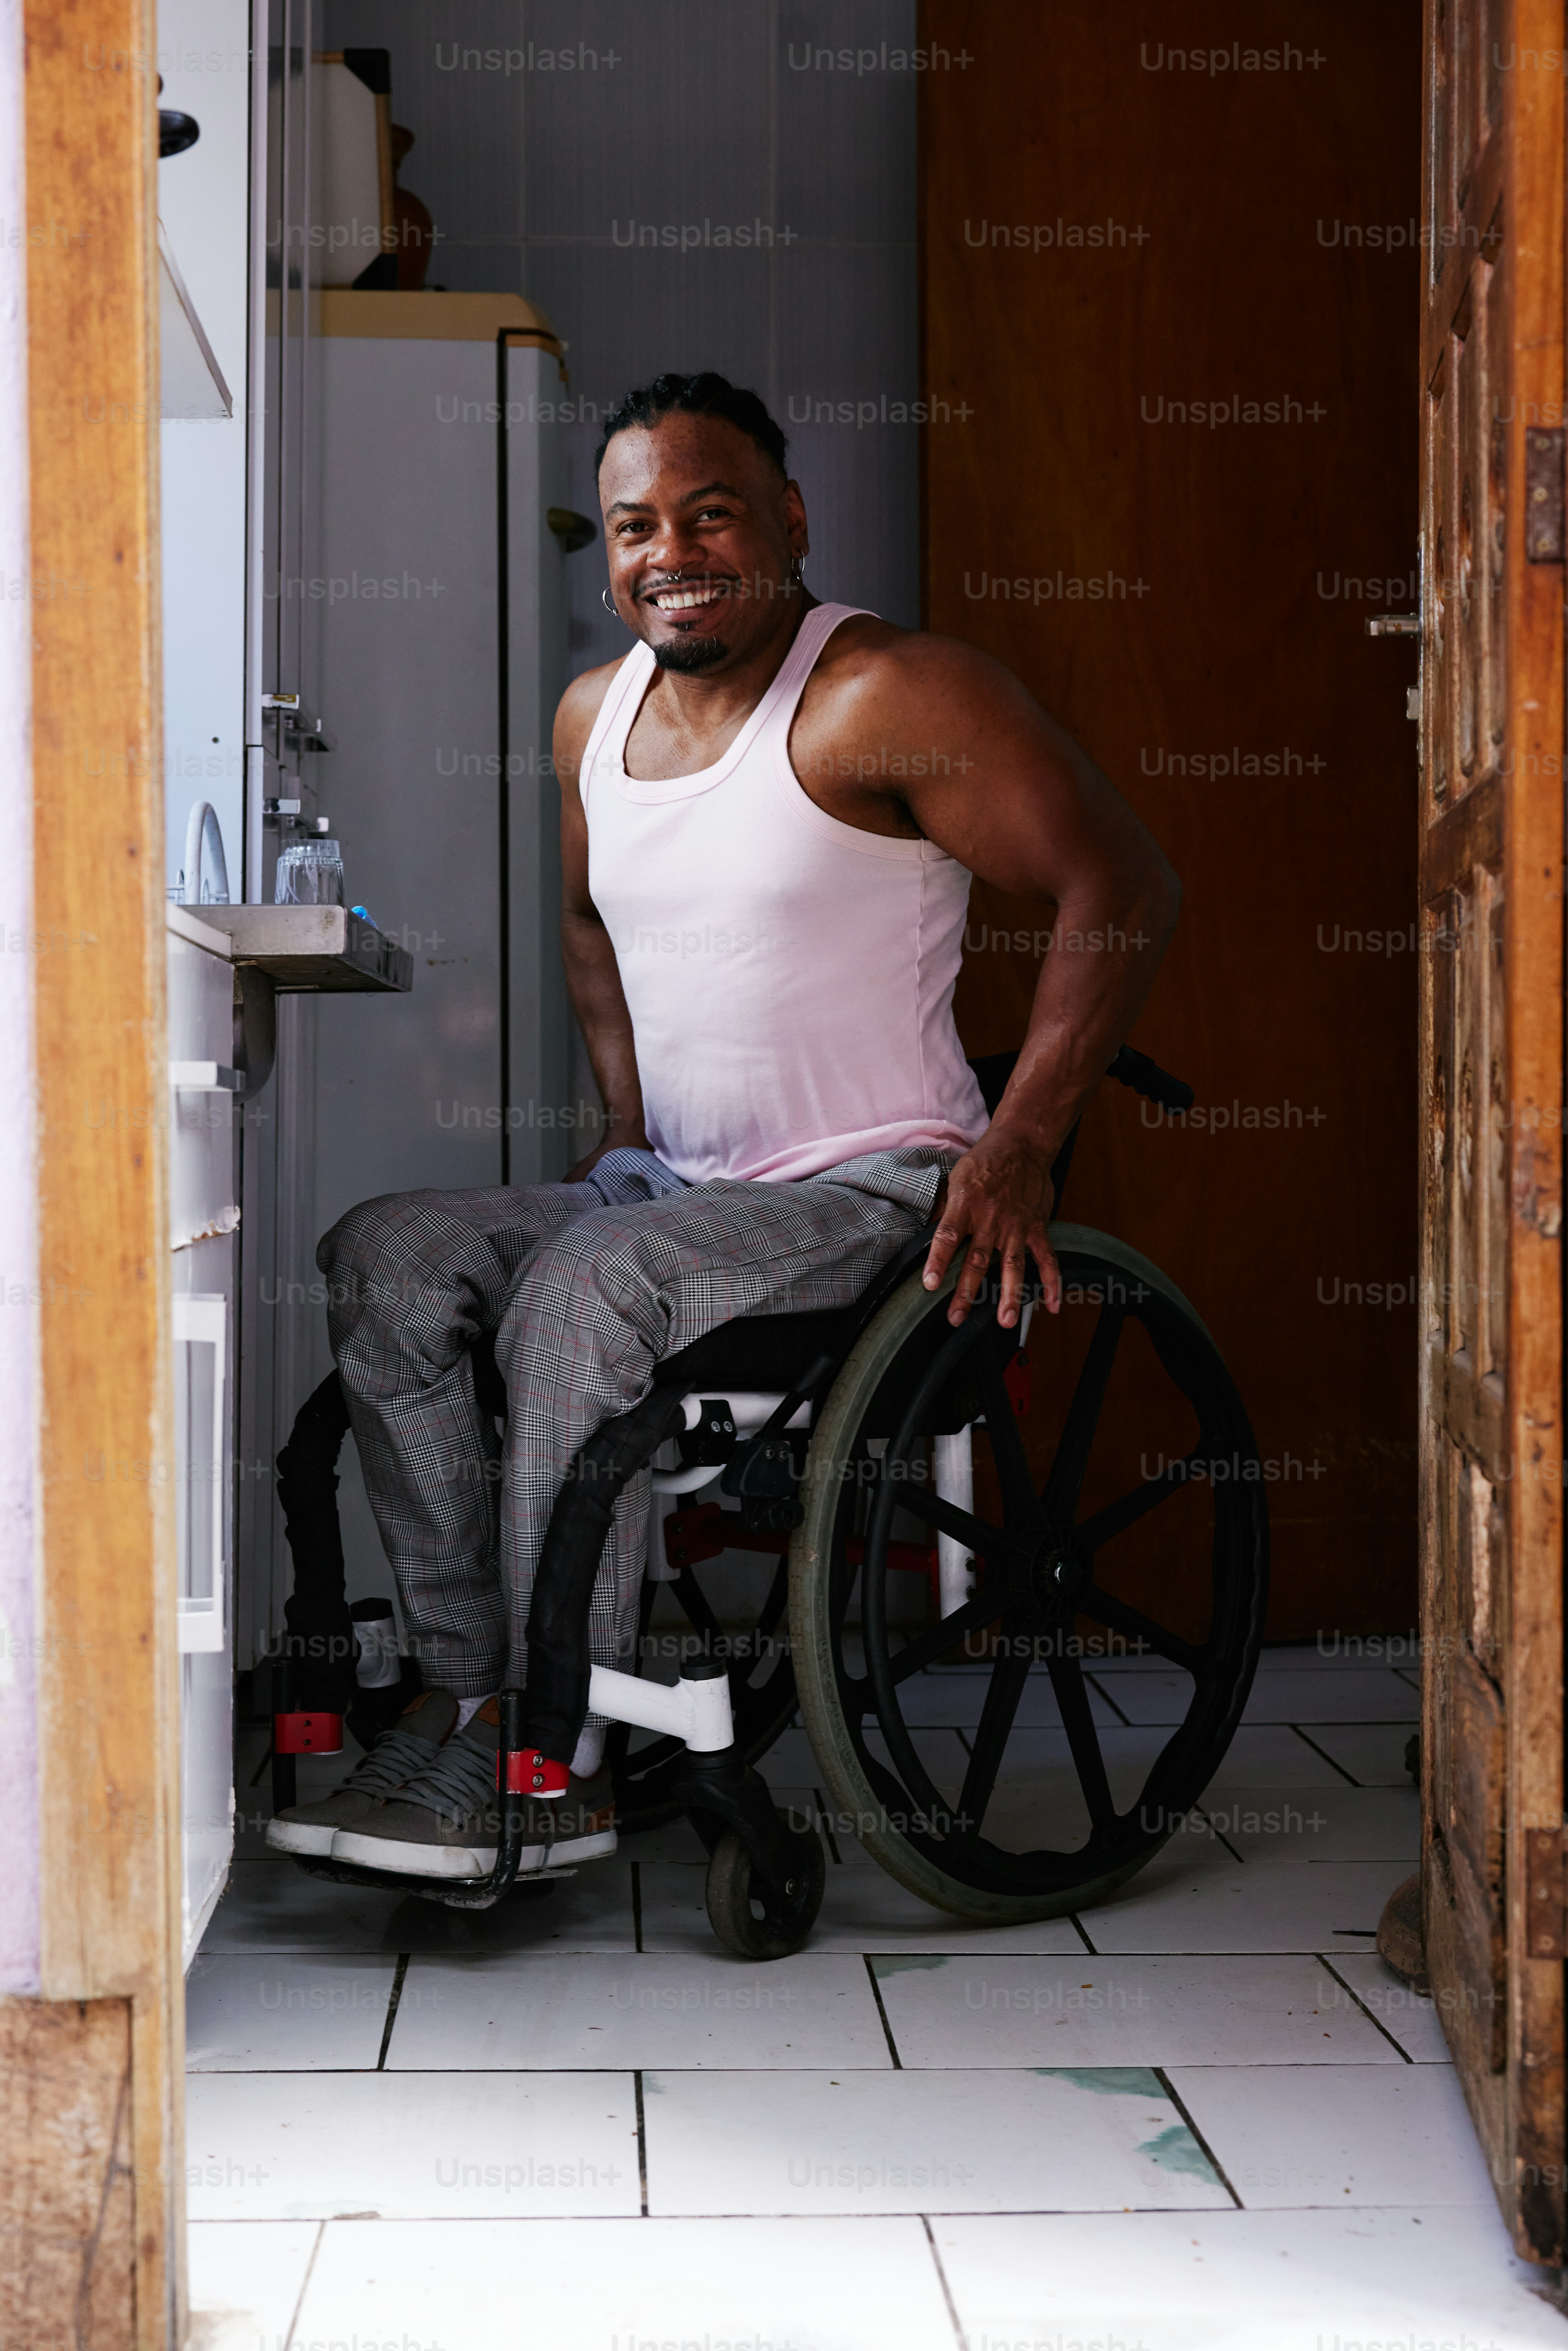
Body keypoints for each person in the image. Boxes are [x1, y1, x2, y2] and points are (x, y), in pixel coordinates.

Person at [267, 370, 1179, 1880]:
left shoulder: (891, 694)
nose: (669, 551)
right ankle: (473, 1689)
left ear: (792, 520)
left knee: (582, 1288)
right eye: (636, 526)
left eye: (712, 514)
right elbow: (584, 922)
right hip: (673, 1187)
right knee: (388, 1250)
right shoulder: (588, 719)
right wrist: (626, 1124)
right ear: (609, 551)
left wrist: (1017, 1144)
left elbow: (1124, 884)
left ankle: (556, 1760)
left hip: (878, 1192)